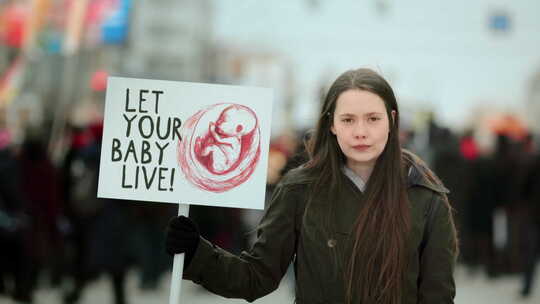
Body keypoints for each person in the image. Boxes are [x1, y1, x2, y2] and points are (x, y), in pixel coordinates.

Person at [165, 68, 459, 303]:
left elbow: (438, 297)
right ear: (331, 124)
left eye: (372, 119)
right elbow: (256, 277)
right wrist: (196, 253)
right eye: (348, 120)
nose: (360, 132)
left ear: (391, 120)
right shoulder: (299, 190)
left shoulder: (425, 197)